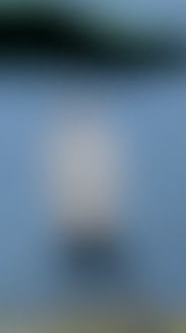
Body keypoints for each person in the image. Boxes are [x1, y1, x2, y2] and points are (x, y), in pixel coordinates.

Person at [41, 106, 131, 296]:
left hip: (98, 224)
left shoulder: (97, 142)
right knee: (79, 280)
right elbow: (56, 181)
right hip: (76, 225)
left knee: (106, 278)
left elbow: (110, 179)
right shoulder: (64, 143)